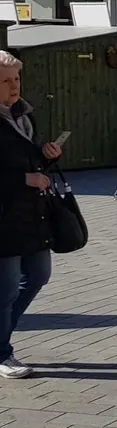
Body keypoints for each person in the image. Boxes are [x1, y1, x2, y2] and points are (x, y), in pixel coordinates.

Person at [0, 50, 61, 380]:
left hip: (32, 214)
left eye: (17, 79)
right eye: (6, 81)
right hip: (4, 218)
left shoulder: (24, 116)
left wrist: (46, 155)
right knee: (6, 288)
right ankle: (2, 352)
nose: (14, 87)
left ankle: (2, 338)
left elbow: (30, 159)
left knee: (38, 275)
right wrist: (23, 179)